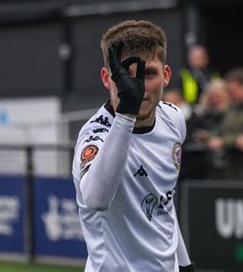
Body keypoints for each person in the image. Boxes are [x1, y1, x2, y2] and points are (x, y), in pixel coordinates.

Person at [72, 20, 194, 271]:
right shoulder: (94, 135)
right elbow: (95, 199)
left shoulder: (174, 120)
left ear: (166, 75)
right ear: (107, 78)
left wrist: (184, 263)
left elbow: (164, 204)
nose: (138, 88)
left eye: (148, 74)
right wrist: (126, 113)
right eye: (125, 76)